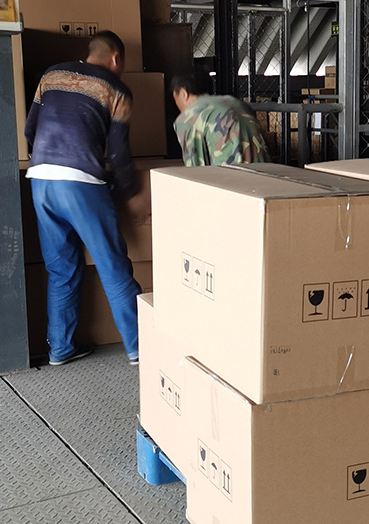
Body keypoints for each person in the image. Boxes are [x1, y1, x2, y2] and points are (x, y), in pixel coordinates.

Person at [24, 30, 142, 367]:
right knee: (112, 266)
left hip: (40, 180)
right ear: (115, 58)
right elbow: (118, 153)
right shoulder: (117, 89)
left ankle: (60, 349)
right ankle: (140, 347)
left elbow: (30, 130)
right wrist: (130, 194)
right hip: (80, 183)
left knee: (61, 268)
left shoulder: (51, 75)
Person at [171, 69, 271, 166]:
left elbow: (196, 168)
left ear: (184, 94)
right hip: (267, 172)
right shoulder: (237, 103)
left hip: (231, 175)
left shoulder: (189, 117)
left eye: (175, 98)